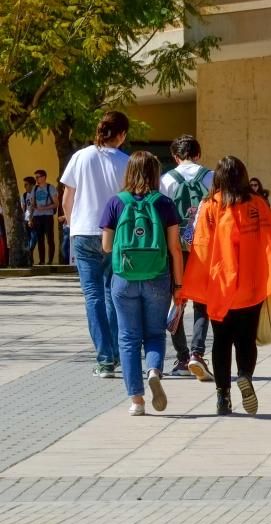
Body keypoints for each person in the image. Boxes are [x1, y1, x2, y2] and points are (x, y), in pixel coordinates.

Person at [183, 156, 271, 415]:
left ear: (218, 177)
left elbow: (201, 247)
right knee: (245, 339)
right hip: (251, 287)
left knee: (221, 341)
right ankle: (245, 376)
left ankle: (223, 397)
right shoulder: (257, 205)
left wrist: (193, 286)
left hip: (219, 287)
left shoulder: (209, 206)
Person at [100, 152, 184, 416]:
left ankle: (136, 401)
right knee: (155, 334)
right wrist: (179, 285)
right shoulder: (164, 204)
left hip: (124, 279)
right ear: (155, 173)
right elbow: (175, 249)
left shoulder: (116, 202)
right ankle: (154, 371)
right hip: (157, 277)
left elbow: (106, 246)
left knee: (127, 338)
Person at [61, 111, 130, 377]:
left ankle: (103, 360)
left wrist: (71, 224)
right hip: (115, 233)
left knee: (93, 296)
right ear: (121, 135)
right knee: (114, 293)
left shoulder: (80, 156)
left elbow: (68, 196)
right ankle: (114, 353)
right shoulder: (126, 162)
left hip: (83, 231)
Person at [160, 135, 215, 380]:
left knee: (177, 299)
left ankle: (182, 357)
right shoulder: (212, 177)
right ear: (198, 154)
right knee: (203, 303)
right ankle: (197, 353)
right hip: (205, 248)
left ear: (175, 156)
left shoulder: (166, 179)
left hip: (175, 248)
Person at [30, 169, 58, 265]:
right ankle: (41, 261)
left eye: (38, 177)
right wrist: (31, 216)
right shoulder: (35, 189)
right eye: (36, 177)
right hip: (37, 216)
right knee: (40, 239)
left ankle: (50, 261)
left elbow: (56, 204)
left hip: (48, 216)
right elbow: (32, 203)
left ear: (44, 177)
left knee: (50, 238)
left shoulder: (51, 188)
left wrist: (45, 207)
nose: (36, 179)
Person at [21, 176, 37, 264]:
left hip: (35, 218)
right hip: (26, 219)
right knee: (28, 239)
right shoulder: (24, 195)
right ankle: (29, 257)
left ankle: (29, 253)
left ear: (32, 185)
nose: (25, 186)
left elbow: (34, 207)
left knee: (34, 238)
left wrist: (31, 219)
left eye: (26, 184)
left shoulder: (35, 193)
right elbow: (23, 208)